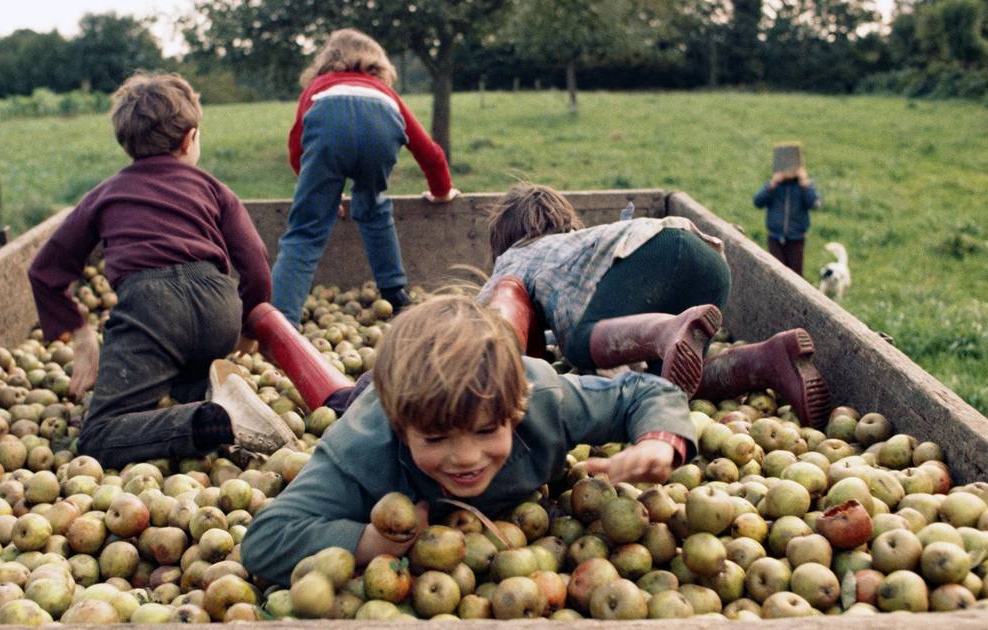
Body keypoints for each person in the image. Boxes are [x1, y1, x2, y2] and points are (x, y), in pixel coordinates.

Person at [239, 296, 695, 586]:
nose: (465, 458)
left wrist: (658, 442)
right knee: (335, 394)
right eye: (437, 439)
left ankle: (511, 287)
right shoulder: (362, 451)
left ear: (515, 410)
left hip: (482, 387)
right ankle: (268, 319)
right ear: (402, 430)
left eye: (486, 431)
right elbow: (263, 540)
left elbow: (642, 392)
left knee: (503, 318)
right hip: (367, 400)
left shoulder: (546, 403)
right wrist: (367, 544)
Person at [27, 72, 278, 470]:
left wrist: (80, 334)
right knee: (184, 370)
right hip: (217, 306)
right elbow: (256, 262)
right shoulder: (214, 189)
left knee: (98, 435)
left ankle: (199, 424)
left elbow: (45, 270)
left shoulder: (106, 193)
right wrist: (247, 327)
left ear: (126, 144)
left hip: (152, 311)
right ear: (189, 138)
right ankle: (215, 395)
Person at [477, 183, 829, 426]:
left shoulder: (516, 256)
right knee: (672, 383)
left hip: (652, 256)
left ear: (505, 240)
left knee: (581, 345)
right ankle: (767, 361)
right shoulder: (582, 247)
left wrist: (483, 365)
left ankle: (666, 330)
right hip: (706, 258)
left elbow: (500, 312)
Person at [270, 28, 461, 325]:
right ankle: (395, 293)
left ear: (328, 60)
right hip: (380, 128)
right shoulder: (385, 93)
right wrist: (442, 190)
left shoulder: (318, 87)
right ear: (378, 64)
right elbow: (430, 152)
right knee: (372, 206)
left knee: (306, 230)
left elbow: (297, 145)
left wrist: (319, 194)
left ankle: (281, 321)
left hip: (328, 126)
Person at [754, 164, 820, 277]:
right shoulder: (774, 186)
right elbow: (758, 202)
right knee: (775, 272)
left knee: (795, 274)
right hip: (775, 238)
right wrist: (772, 184)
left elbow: (814, 204)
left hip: (796, 239)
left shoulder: (802, 186)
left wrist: (805, 184)